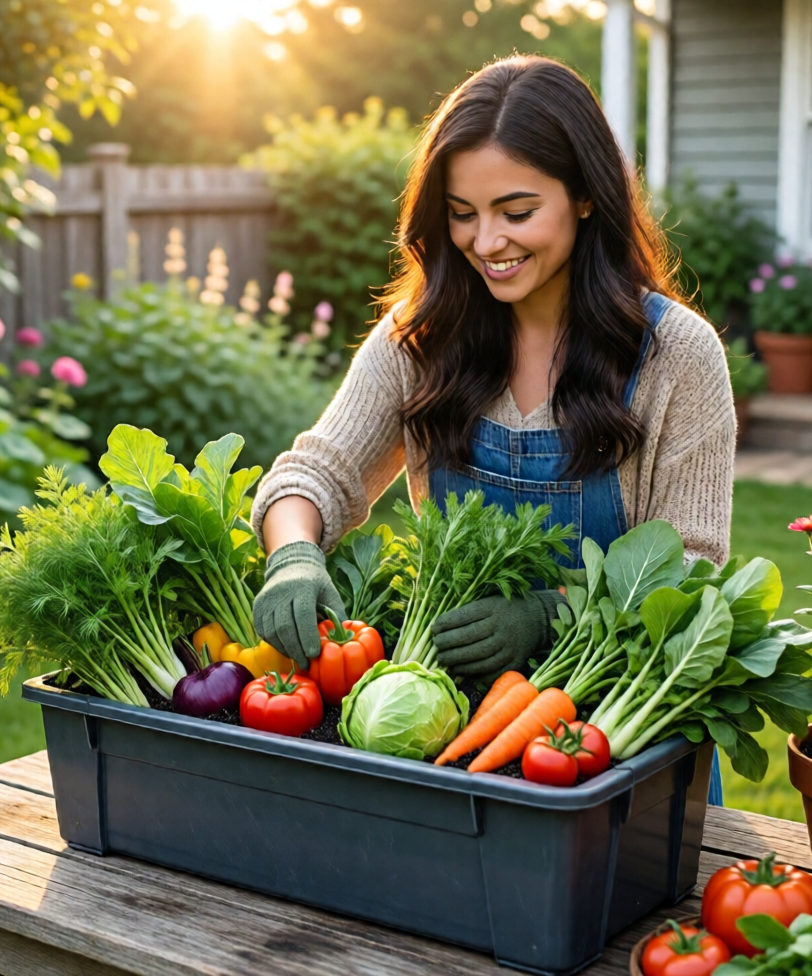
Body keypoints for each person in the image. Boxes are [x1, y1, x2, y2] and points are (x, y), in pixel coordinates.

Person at [250, 55, 735, 803]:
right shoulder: (423, 338)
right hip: (458, 739)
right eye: (462, 213)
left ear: (582, 197)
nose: (486, 242)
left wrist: (550, 615)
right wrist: (292, 555)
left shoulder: (677, 358)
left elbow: (691, 574)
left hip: (615, 740)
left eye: (516, 211)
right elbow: (315, 472)